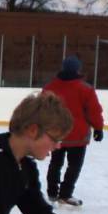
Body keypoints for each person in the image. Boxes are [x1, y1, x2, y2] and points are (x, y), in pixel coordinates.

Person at [43, 56, 104, 206]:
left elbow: (42, 110)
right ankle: (65, 194)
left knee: (55, 163)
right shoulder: (86, 89)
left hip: (56, 134)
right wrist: (98, 128)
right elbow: (93, 111)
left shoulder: (49, 88)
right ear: (78, 69)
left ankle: (52, 193)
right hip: (78, 135)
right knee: (74, 165)